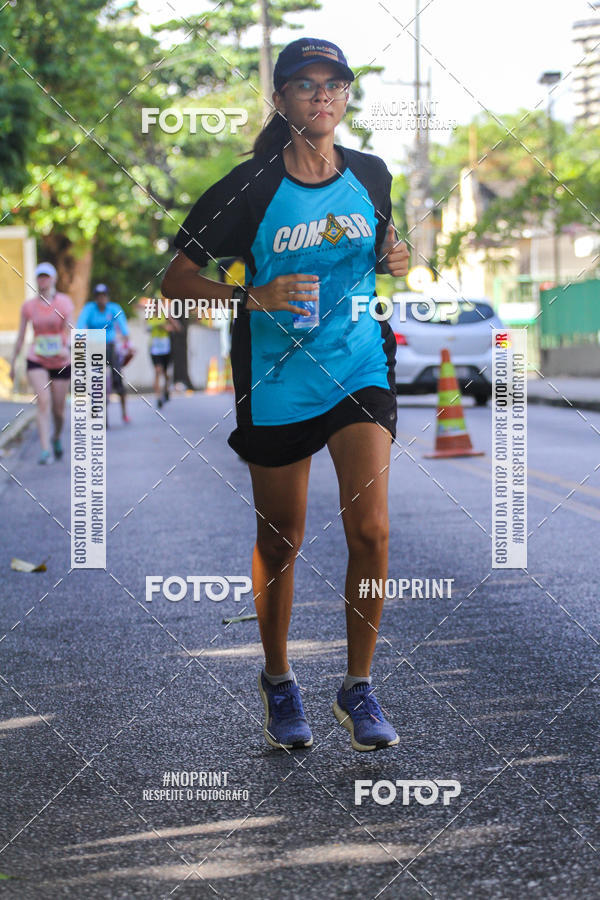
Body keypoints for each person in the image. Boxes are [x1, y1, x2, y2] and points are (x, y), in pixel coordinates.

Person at [161, 38, 410, 752]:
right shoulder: (248, 189)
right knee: (282, 538)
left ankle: (358, 689)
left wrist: (396, 255)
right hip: (277, 381)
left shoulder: (371, 173)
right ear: (281, 100)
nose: (322, 95)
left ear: (345, 97)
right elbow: (175, 280)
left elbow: (383, 247)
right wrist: (254, 293)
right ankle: (278, 681)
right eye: (305, 85)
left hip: (358, 364)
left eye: (334, 84)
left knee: (372, 531)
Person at [10, 262, 74, 464]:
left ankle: (55, 437)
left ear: (53, 279)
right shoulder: (28, 306)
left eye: (46, 276)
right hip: (36, 358)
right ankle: (45, 450)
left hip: (61, 360)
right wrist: (13, 363)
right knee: (43, 400)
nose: (43, 280)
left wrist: (69, 347)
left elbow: (72, 330)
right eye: (40, 276)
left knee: (58, 410)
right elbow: (21, 336)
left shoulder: (64, 303)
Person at [77, 284, 131, 425]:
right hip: (94, 347)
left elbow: (123, 326)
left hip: (111, 346)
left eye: (104, 295)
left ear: (107, 297)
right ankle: (96, 409)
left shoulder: (114, 308)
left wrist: (126, 338)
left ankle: (124, 412)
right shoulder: (89, 308)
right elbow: (81, 324)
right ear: (95, 298)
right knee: (94, 379)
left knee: (118, 378)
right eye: (99, 296)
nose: (101, 298)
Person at [146, 307, 180, 408]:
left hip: (166, 349)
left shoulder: (165, 315)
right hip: (154, 349)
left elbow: (178, 328)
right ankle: (158, 397)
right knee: (157, 371)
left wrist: (168, 325)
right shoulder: (150, 317)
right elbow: (147, 328)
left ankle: (166, 390)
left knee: (165, 374)